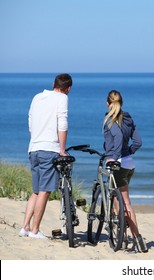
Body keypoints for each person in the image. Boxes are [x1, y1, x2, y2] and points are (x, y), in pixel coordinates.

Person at [19, 73, 72, 239]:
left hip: (34, 148)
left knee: (36, 191)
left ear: (53, 83)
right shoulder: (62, 98)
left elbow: (30, 120)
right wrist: (62, 149)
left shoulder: (37, 97)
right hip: (48, 150)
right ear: (68, 88)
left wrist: (36, 138)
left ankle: (25, 227)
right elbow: (62, 123)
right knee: (44, 191)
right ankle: (35, 230)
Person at [103, 89, 148, 253]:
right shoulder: (128, 118)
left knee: (124, 202)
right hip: (129, 164)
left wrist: (114, 156)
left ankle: (136, 238)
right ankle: (124, 236)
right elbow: (138, 142)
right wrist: (129, 151)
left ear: (108, 103)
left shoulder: (110, 119)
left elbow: (118, 137)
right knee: (120, 200)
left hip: (118, 164)